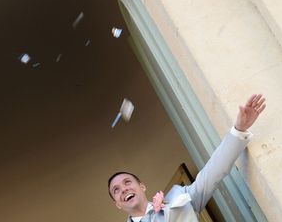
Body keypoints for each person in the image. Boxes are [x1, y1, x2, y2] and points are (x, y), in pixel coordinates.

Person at [108, 94, 266, 222]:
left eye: (127, 182)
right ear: (117, 204)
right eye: (116, 190)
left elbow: (212, 174)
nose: (124, 189)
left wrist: (239, 130)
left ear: (142, 186)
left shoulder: (179, 198)